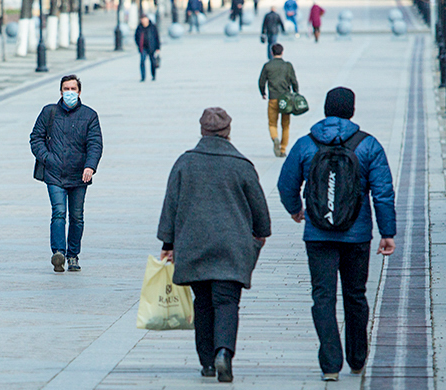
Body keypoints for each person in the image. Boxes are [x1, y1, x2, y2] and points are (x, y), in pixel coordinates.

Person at [277, 87, 396, 382]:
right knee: (355, 295)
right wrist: (387, 232)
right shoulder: (369, 146)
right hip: (356, 235)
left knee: (323, 297)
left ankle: (330, 364)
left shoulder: (307, 144)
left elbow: (285, 183)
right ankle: (357, 359)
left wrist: (295, 209)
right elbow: (382, 193)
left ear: (326, 110)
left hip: (318, 234)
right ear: (352, 110)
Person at [158, 107, 271, 383]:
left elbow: (170, 205)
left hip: (194, 246)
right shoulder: (242, 165)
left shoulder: (185, 163)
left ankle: (207, 363)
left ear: (202, 131)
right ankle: (224, 353)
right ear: (228, 132)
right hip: (232, 248)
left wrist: (168, 243)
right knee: (227, 302)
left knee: (204, 304)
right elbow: (261, 216)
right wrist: (258, 237)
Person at [30, 75, 103, 273]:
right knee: (59, 212)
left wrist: (90, 166)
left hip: (80, 175)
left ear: (79, 92)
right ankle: (59, 253)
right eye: (66, 88)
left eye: (73, 88)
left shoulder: (90, 115)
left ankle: (73, 255)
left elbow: (95, 144)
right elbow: (35, 138)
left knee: (77, 217)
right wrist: (47, 158)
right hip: (54, 173)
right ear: (60, 91)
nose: (69, 92)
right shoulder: (49, 112)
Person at [258, 43, 299, 157]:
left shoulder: (267, 66)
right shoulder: (288, 65)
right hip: (286, 99)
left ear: (272, 52)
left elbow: (261, 81)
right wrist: (296, 93)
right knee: (285, 125)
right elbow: (294, 81)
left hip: (273, 98)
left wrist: (263, 92)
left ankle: (275, 138)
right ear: (282, 52)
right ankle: (282, 149)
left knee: (272, 123)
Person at [134, 15, 161, 82]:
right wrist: (138, 45)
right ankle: (143, 77)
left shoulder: (153, 27)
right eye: (143, 19)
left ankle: (153, 75)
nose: (144, 21)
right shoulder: (139, 28)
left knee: (152, 62)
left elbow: (157, 37)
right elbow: (136, 37)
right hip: (143, 47)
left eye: (145, 19)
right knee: (142, 61)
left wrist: (158, 47)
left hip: (151, 47)